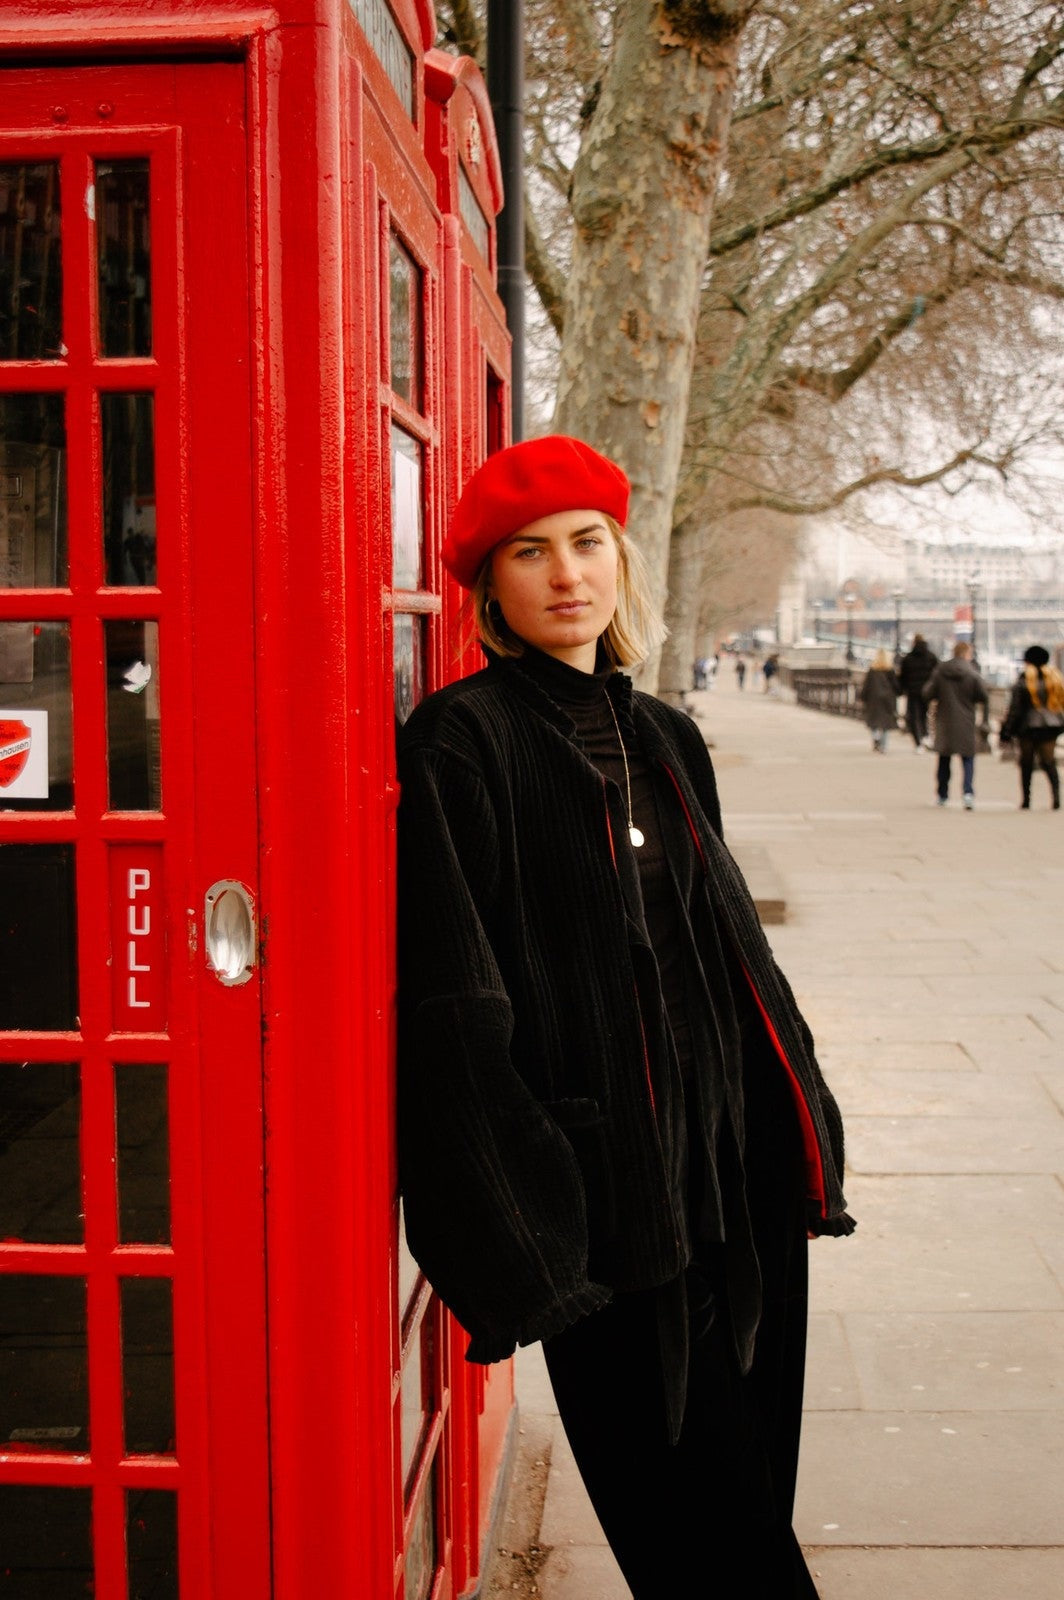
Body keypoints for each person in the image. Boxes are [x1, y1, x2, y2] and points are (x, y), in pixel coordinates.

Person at [396, 436, 854, 1600]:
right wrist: (519, 1220)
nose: (565, 574)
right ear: (489, 587)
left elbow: (720, 949)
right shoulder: (465, 742)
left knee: (753, 1504)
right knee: (705, 1548)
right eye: (529, 553)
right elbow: (454, 1007)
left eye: (586, 543)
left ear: (621, 558)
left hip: (738, 1192)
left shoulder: (665, 735)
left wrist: (802, 1126)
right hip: (607, 1217)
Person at [922, 640, 989, 809]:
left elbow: (927, 693)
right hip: (966, 720)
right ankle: (967, 793)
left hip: (945, 720)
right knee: (968, 759)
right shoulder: (972, 674)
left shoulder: (940, 671)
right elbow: (984, 696)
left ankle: (942, 794)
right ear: (967, 654)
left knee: (944, 760)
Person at [999, 645, 1063, 810]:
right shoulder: (1055, 678)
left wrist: (1007, 730)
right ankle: (1056, 797)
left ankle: (1026, 800)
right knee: (1049, 762)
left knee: (1026, 762)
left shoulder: (1024, 679)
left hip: (1028, 726)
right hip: (1051, 725)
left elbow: (1015, 708)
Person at [898, 634, 937, 748]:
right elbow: (937, 675)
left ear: (914, 643)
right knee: (925, 714)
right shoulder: (931, 657)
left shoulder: (908, 658)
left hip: (912, 691)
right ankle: (925, 735)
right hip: (927, 691)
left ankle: (918, 742)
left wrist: (902, 689)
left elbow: (903, 677)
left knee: (913, 716)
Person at [858, 650, 899, 753]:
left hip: (873, 699)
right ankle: (883, 746)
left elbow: (866, 686)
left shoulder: (872, 670)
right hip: (887, 699)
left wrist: (863, 697)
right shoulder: (890, 671)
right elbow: (896, 686)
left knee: (873, 722)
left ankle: (876, 737)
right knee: (885, 724)